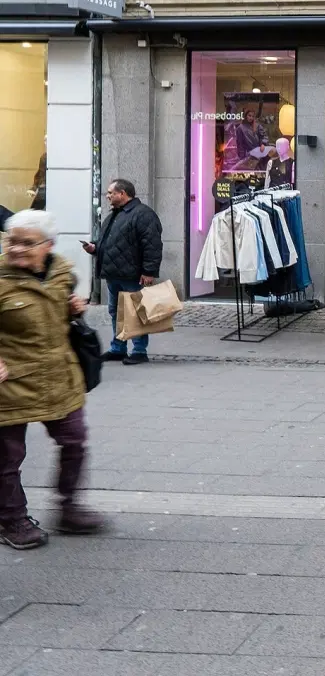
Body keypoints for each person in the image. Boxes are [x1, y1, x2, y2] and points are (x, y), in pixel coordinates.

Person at [0, 210, 106, 549]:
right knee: (7, 458)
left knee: (74, 442)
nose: (16, 249)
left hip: (59, 376)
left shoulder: (62, 274)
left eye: (26, 243)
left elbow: (59, 317)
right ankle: (12, 520)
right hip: (10, 383)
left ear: (48, 246)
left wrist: (74, 310)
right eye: (11, 241)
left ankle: (69, 508)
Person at [81, 179, 163, 365]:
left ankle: (139, 350)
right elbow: (110, 242)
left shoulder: (143, 214)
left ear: (123, 193)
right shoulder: (114, 215)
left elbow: (152, 245)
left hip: (132, 274)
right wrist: (95, 248)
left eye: (111, 192)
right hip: (114, 274)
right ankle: (118, 348)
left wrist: (149, 271)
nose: (108, 196)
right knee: (116, 312)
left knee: (135, 312)